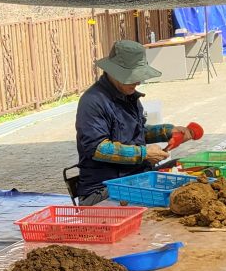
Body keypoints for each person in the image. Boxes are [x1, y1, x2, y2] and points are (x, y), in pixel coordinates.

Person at [74, 40, 198, 205]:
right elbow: (97, 148)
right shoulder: (93, 101)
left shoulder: (129, 96)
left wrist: (168, 132)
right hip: (104, 189)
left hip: (135, 178)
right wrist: (143, 154)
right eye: (133, 76)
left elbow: (136, 131)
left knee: (185, 171)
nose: (138, 82)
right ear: (114, 72)